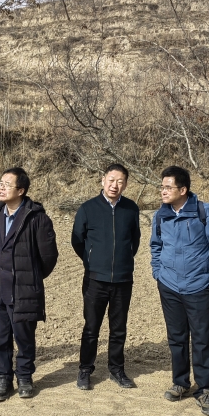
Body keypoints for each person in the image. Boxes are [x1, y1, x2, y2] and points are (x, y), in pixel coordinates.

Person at [150, 166, 209, 416]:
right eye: (162, 187)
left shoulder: (204, 212)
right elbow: (155, 246)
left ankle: (205, 390)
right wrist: (158, 272)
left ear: (183, 190)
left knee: (202, 339)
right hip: (169, 285)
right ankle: (180, 382)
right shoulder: (160, 215)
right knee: (176, 337)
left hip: (198, 284)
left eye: (168, 187)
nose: (163, 191)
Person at [0, 168, 59, 401]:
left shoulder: (37, 218)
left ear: (21, 190)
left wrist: (30, 278)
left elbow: (49, 257)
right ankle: (3, 379)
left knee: (24, 338)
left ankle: (24, 377)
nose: (1, 188)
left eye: (7, 184)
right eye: (0, 183)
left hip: (23, 290)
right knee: (0, 337)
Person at [72, 163, 141, 390]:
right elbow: (77, 240)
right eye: (111, 180)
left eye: (120, 181)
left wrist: (123, 260)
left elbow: (135, 240)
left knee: (118, 328)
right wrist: (91, 261)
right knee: (91, 327)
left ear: (126, 184)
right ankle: (85, 369)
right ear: (103, 180)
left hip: (123, 279)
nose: (115, 185)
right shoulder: (88, 208)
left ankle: (117, 369)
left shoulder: (131, 208)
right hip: (95, 279)